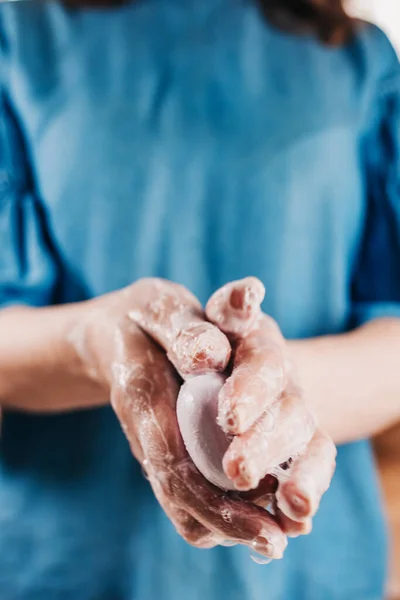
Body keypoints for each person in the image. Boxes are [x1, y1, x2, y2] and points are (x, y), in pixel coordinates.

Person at [0, 0, 399, 598]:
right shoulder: (21, 34)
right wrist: (97, 339)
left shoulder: (357, 60)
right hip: (72, 562)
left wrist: (279, 392)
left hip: (308, 569)